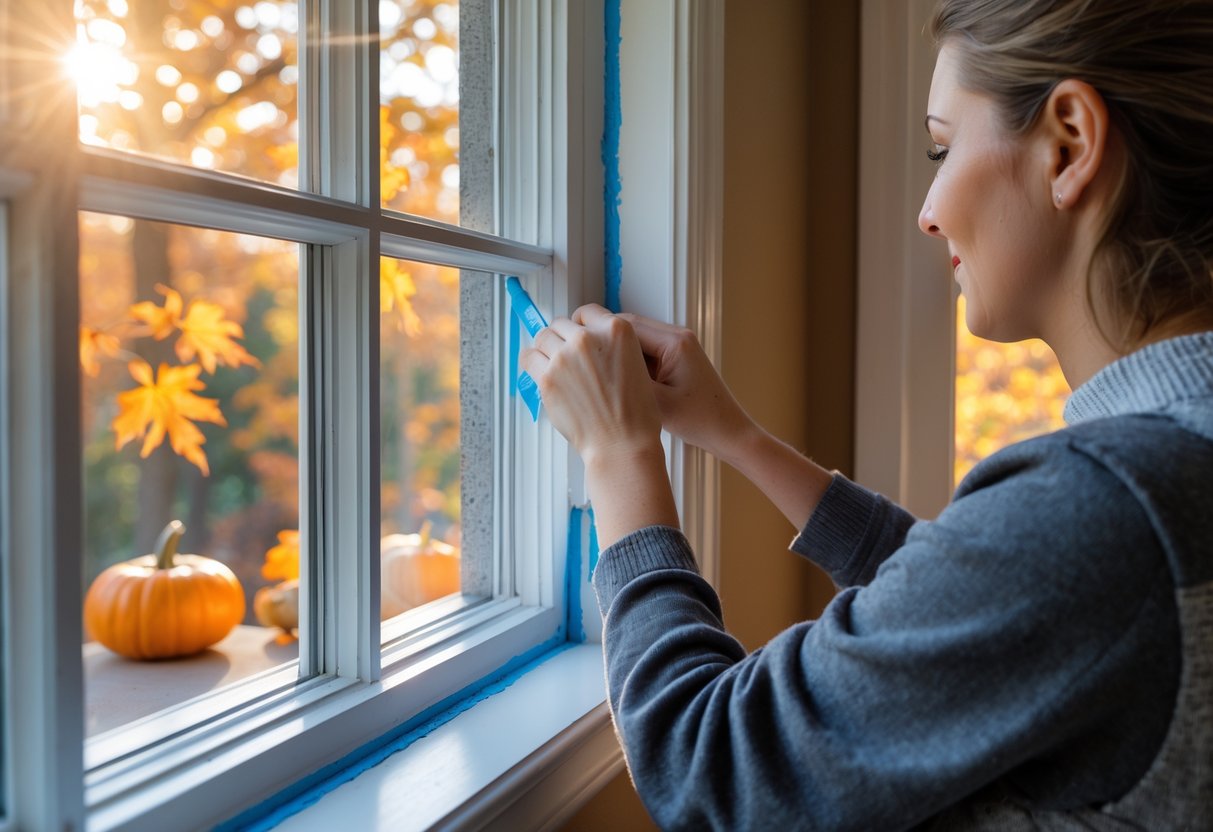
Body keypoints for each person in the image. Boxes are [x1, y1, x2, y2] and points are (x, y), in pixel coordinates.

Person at [520, 0, 1213, 828]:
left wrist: (618, 456)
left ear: (1068, 142)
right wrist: (738, 440)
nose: (927, 210)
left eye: (943, 146)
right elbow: (981, 599)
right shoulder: (1164, 472)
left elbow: (708, 768)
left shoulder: (1108, 505)